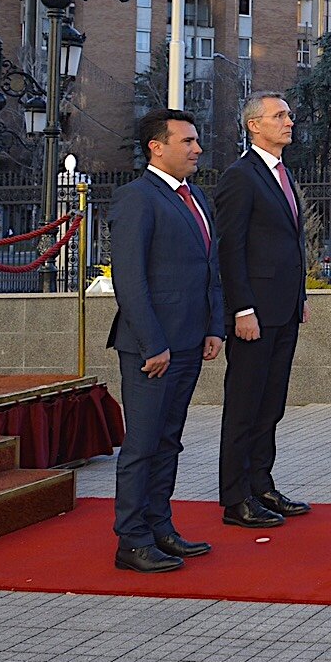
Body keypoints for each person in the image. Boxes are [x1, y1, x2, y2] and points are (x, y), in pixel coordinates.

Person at [108, 109, 225, 572]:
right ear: (157, 146)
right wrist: (153, 344)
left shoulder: (198, 198)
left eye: (197, 141)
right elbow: (131, 280)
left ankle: (160, 527)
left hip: (191, 342)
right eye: (188, 141)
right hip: (150, 349)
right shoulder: (136, 198)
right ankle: (131, 539)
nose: (197, 149)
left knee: (169, 441)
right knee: (142, 444)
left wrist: (213, 328)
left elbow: (209, 269)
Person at [214, 93, 314, 531]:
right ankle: (236, 498)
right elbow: (230, 248)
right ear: (254, 125)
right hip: (254, 314)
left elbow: (290, 242)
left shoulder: (281, 173)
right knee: (245, 405)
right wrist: (242, 308)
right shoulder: (241, 177)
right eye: (279, 116)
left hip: (284, 310)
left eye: (289, 115)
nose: (289, 121)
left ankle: (261, 484)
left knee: (270, 404)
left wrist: (300, 297)